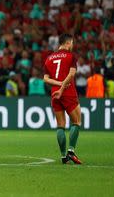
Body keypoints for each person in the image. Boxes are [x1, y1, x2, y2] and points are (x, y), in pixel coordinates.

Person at [43, 33, 82, 164]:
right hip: (68, 92)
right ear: (68, 42)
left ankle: (63, 155)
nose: (72, 45)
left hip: (54, 93)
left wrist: (58, 86)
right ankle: (71, 151)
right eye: (72, 43)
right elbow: (71, 74)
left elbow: (46, 78)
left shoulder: (49, 58)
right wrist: (62, 87)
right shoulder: (71, 56)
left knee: (60, 125)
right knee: (76, 121)